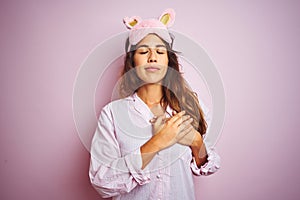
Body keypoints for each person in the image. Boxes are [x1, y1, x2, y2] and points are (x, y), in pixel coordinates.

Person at [89, 8, 220, 200]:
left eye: (160, 51)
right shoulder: (112, 114)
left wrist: (196, 141)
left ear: (168, 61)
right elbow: (102, 181)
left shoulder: (190, 106)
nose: (152, 57)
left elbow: (208, 165)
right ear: (132, 61)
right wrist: (157, 142)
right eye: (143, 51)